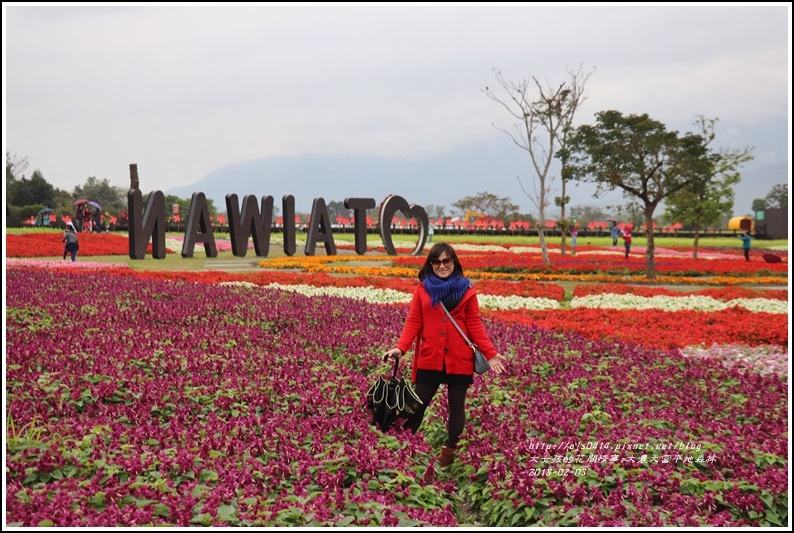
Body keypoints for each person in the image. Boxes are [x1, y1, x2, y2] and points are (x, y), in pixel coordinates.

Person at [382, 243, 508, 467]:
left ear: (454, 263)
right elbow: (414, 321)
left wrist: (491, 354)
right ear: (430, 264)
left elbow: (474, 324)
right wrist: (400, 348)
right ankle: (403, 449)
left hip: (459, 359)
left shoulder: (467, 290)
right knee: (417, 405)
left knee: (456, 407)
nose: (442, 266)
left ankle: (448, 455)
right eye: (437, 262)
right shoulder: (422, 289)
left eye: (446, 261)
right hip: (430, 357)